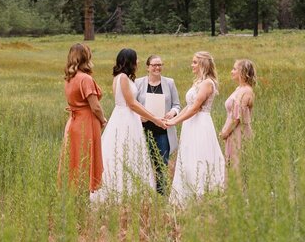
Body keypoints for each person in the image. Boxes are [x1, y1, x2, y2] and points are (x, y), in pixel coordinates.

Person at [92, 48, 166, 202]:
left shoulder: (120, 77)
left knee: (123, 152)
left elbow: (132, 103)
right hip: (125, 118)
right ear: (130, 61)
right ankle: (121, 189)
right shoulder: (123, 78)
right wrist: (154, 118)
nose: (138, 62)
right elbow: (131, 104)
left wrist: (145, 114)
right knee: (123, 151)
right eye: (136, 59)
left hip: (124, 116)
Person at [165, 51, 226, 204]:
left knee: (199, 156)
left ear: (202, 64)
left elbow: (196, 108)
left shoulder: (207, 83)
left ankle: (202, 193)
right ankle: (188, 192)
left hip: (201, 123)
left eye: (194, 62)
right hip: (190, 123)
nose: (191, 65)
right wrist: (173, 118)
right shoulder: (198, 82)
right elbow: (188, 106)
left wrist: (175, 123)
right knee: (188, 155)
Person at [60, 43, 105, 193]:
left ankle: (74, 191)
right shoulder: (85, 79)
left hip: (73, 121)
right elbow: (95, 106)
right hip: (86, 122)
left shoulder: (69, 78)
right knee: (86, 157)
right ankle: (83, 193)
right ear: (86, 57)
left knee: (74, 157)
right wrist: (103, 120)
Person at [135, 54, 182, 194]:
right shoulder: (138, 83)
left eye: (160, 65)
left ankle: (161, 195)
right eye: (154, 65)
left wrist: (172, 113)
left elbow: (177, 105)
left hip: (163, 130)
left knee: (161, 164)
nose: (157, 67)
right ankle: (145, 194)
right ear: (147, 67)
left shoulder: (169, 83)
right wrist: (139, 117)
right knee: (143, 164)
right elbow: (132, 106)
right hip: (143, 130)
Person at [220, 59, 255, 170]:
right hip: (232, 133)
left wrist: (226, 132)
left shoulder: (247, 91)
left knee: (238, 167)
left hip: (239, 133)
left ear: (242, 72)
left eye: (234, 69)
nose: (231, 71)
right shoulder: (238, 89)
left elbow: (237, 118)